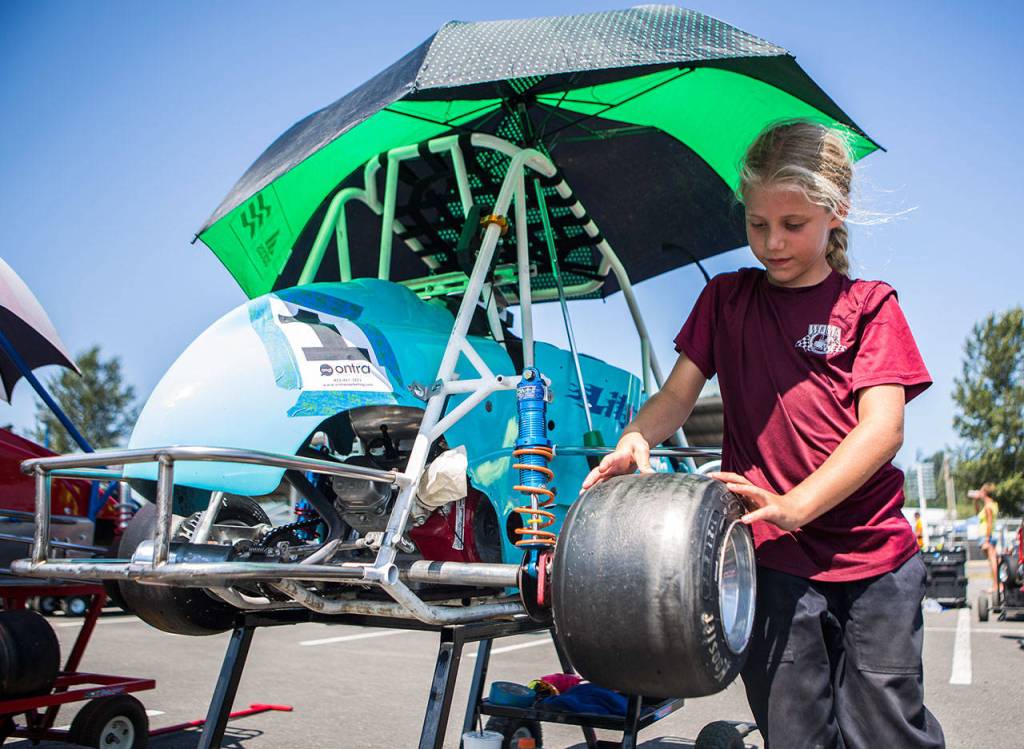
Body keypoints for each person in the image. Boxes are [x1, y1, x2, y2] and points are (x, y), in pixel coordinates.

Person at [582, 120, 944, 747]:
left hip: (876, 562)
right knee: (792, 732)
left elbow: (882, 430)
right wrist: (636, 436)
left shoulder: (870, 306)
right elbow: (675, 395)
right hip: (769, 561)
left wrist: (796, 504)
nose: (772, 242)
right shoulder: (725, 301)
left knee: (886, 729)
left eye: (792, 225)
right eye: (756, 224)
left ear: (837, 213)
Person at [972, 483, 1000, 593]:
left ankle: (997, 585)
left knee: (993, 560)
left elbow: (989, 523)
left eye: (981, 491)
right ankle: (997, 583)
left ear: (985, 493)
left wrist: (987, 538)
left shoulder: (988, 506)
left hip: (987, 535)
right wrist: (975, 500)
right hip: (987, 535)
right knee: (993, 560)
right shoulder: (991, 504)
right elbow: (977, 512)